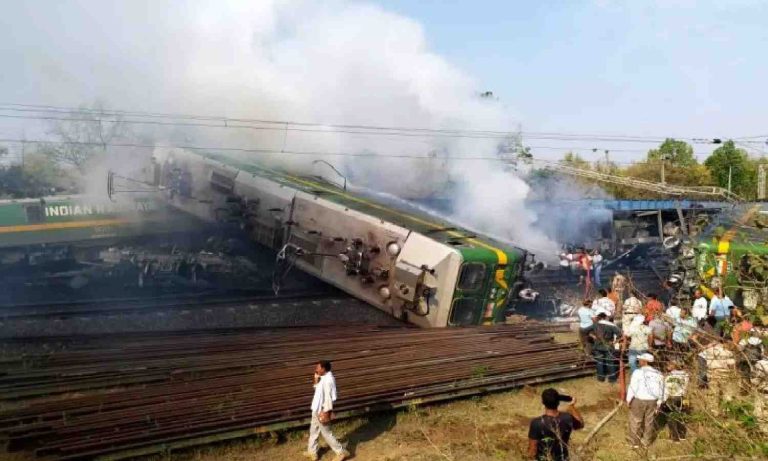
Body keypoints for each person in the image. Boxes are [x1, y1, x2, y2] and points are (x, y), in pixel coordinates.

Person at [306, 360, 349, 461]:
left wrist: (325, 412)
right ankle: (312, 452)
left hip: (321, 410)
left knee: (326, 433)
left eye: (318, 367)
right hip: (316, 409)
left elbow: (329, 398)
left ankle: (341, 452)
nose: (316, 369)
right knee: (313, 431)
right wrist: (316, 380)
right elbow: (319, 393)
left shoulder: (328, 380)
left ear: (323, 369)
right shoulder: (323, 378)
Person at [528, 388, 584, 461]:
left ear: (543, 402)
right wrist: (572, 406)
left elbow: (533, 450)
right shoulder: (567, 418)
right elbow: (580, 424)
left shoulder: (536, 423)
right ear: (558, 402)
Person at [626, 353, 664, 449]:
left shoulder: (637, 372)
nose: (638, 361)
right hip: (652, 400)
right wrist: (659, 401)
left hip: (639, 399)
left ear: (645, 361)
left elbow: (632, 387)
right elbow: (661, 389)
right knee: (649, 422)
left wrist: (628, 399)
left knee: (636, 421)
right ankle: (646, 442)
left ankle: (634, 442)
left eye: (640, 360)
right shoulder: (659, 374)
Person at [587, 312, 622, 383]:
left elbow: (585, 331)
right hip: (608, 346)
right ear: (606, 317)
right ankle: (612, 379)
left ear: (599, 317)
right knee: (610, 362)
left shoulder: (594, 325)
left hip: (597, 346)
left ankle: (600, 378)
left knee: (599, 362)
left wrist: (593, 336)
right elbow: (620, 334)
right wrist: (614, 342)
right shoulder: (611, 325)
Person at [661, 361, 690, 442]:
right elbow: (686, 387)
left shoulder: (668, 376)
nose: (667, 366)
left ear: (673, 366)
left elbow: (665, 389)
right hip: (681, 397)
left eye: (669, 364)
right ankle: (682, 435)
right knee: (681, 416)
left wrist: (663, 400)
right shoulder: (685, 375)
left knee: (671, 418)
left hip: (670, 397)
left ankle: (675, 438)